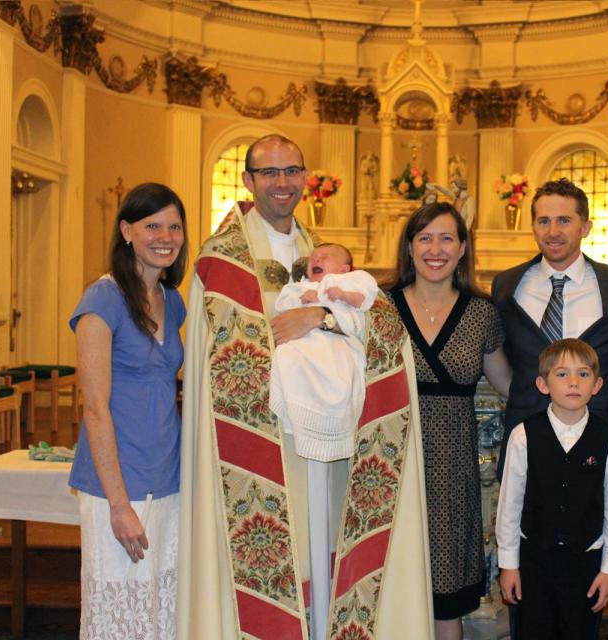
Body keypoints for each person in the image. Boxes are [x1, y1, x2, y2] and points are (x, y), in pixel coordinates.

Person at [178, 135, 434, 640]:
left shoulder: (320, 253)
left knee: (321, 552)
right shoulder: (221, 262)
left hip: (325, 440)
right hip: (258, 439)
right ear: (248, 180)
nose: (282, 182)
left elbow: (382, 325)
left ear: (305, 179)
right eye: (269, 172)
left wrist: (322, 316)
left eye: (292, 171)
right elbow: (217, 358)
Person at [386, 201, 512, 640]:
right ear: (409, 248)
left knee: (446, 597)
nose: (435, 249)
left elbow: (506, 384)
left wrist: (568, 391)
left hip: (451, 477)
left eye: (446, 238)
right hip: (391, 466)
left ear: (462, 249)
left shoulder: (481, 313)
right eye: (424, 238)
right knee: (390, 589)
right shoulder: (380, 307)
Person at [69, 182, 188, 639]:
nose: (165, 237)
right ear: (126, 231)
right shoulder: (102, 300)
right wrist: (118, 505)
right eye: (152, 226)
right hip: (117, 483)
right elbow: (95, 408)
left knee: (162, 610)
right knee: (121, 616)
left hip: (169, 477)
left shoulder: (172, 301)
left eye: (174, 226)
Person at [491, 177, 608, 475]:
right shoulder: (506, 285)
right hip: (525, 437)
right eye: (544, 221)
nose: (553, 231)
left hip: (594, 436)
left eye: (564, 220)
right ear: (533, 227)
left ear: (585, 227)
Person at [496, 339, 608, 640]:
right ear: (543, 384)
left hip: (585, 564)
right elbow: (510, 506)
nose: (573, 382)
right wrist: (509, 565)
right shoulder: (523, 435)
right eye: (561, 374)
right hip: (534, 563)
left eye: (583, 374)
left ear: (597, 385)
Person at [270, 242, 379, 461]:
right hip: (304, 344)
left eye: (326, 256)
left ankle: (330, 425)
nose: (317, 259)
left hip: (338, 343)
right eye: (314, 257)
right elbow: (283, 302)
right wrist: (303, 297)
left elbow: (365, 303)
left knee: (342, 374)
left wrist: (342, 296)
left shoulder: (349, 283)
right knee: (288, 359)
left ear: (344, 269)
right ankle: (298, 417)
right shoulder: (302, 286)